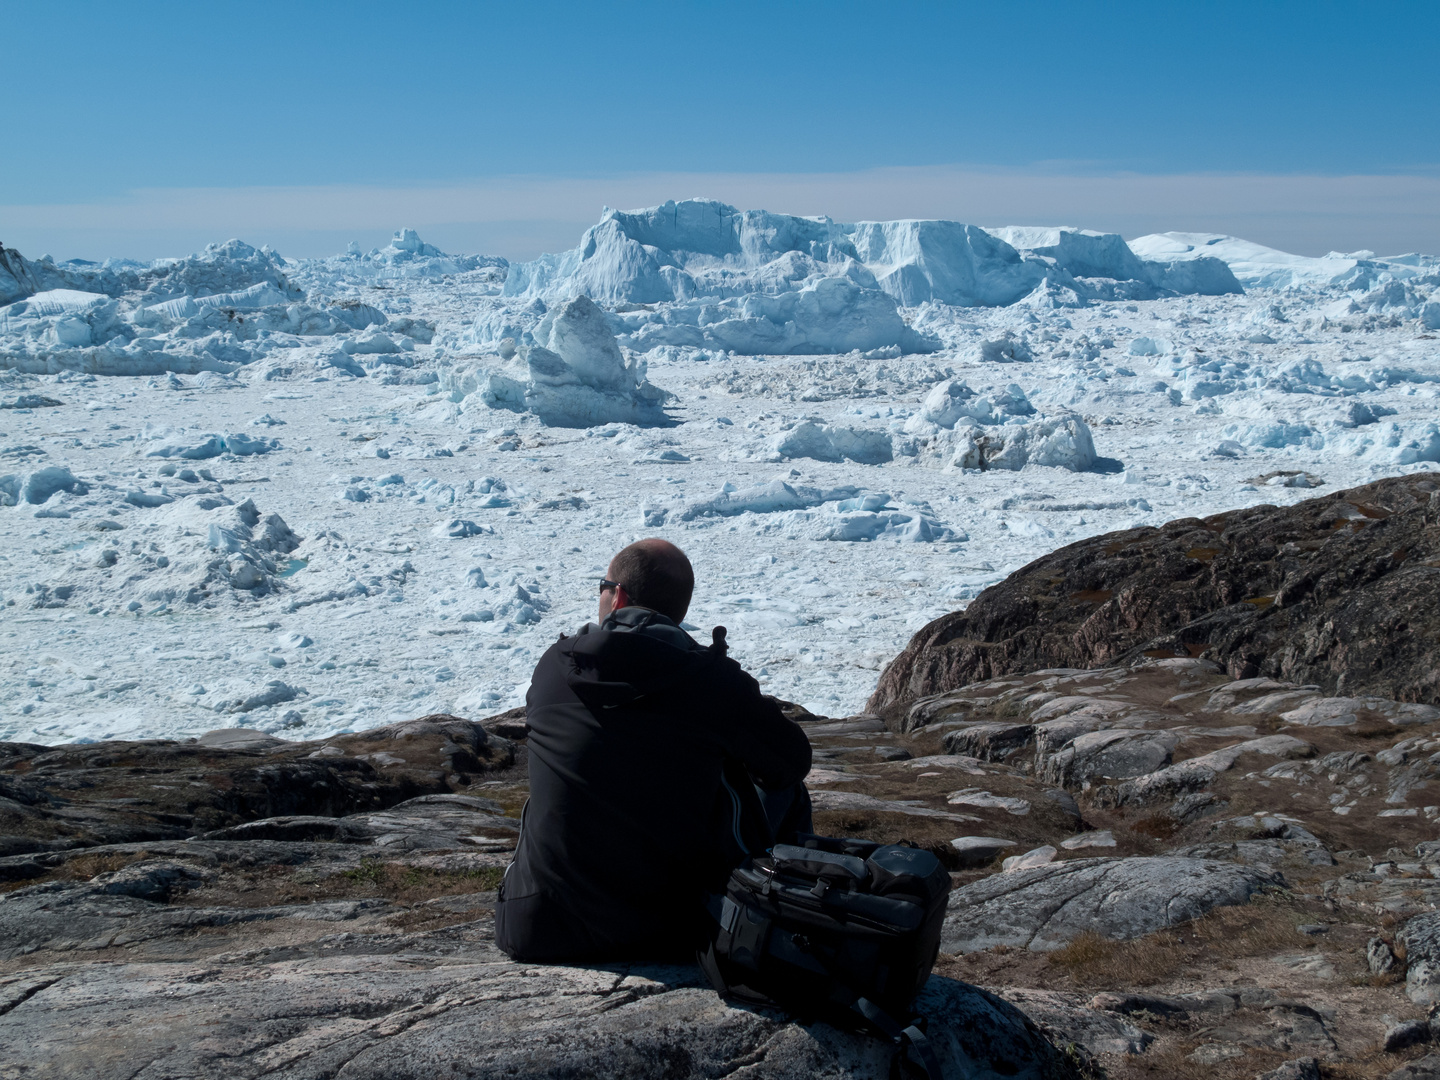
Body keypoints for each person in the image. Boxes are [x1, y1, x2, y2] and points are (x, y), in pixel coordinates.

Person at [495, 538, 813, 962]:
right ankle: (790, 929)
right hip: (677, 932)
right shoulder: (713, 681)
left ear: (619, 595)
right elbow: (791, 763)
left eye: (602, 585)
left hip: (538, 927)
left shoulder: (554, 667)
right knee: (787, 790)